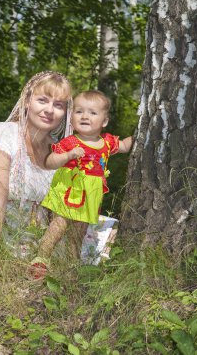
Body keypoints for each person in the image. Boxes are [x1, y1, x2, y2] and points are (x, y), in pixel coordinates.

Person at [0, 71, 73, 272]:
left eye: (58, 105)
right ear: (27, 101)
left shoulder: (60, 151)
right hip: (5, 243)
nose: (49, 110)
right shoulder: (4, 134)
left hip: (45, 253)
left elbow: (58, 215)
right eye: (42, 100)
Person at [38, 90, 133, 264]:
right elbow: (50, 162)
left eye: (92, 113)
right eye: (79, 111)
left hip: (91, 196)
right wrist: (68, 156)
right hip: (70, 190)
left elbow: (125, 146)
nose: (84, 116)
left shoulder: (107, 142)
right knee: (57, 227)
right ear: (72, 117)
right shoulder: (70, 142)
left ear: (104, 121)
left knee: (79, 232)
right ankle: (41, 259)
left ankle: (71, 266)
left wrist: (142, 132)